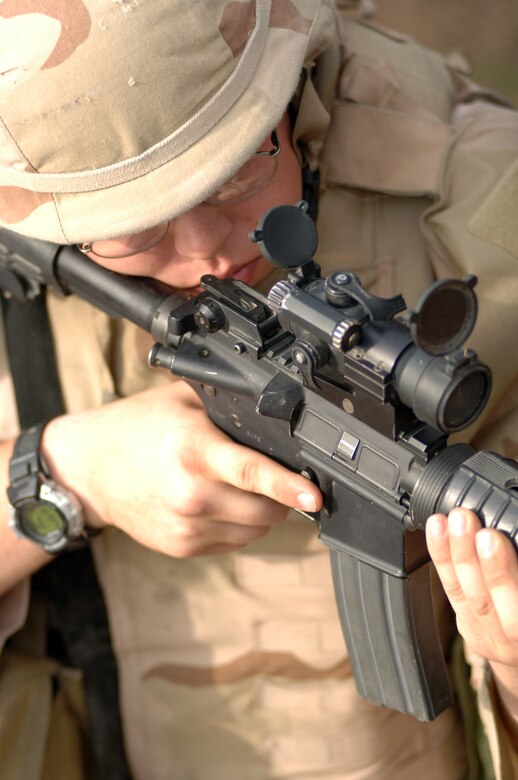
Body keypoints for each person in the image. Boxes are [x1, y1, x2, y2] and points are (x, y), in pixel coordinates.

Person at [0, 1, 517, 778]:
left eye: (236, 165)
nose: (207, 250)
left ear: (292, 90)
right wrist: (64, 478)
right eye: (137, 225)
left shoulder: (487, 211)